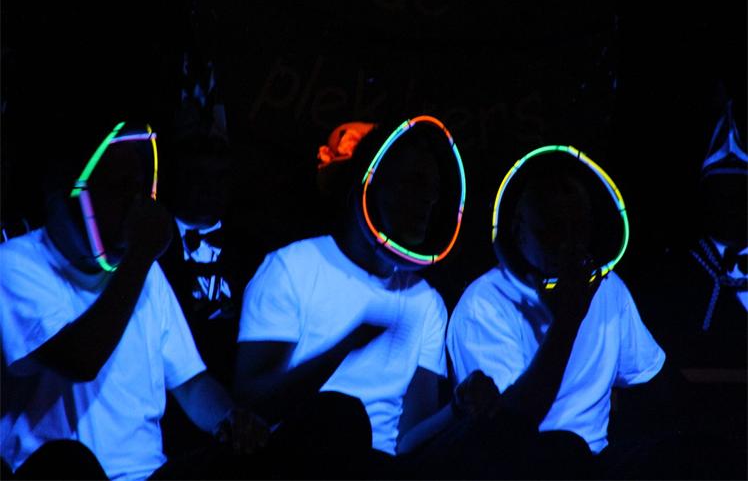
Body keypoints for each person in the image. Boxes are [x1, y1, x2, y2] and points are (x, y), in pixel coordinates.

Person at [0, 122, 268, 481]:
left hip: (149, 474)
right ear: (67, 192)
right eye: (118, 187)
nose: (135, 204)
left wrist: (231, 419)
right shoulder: (14, 264)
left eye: (140, 188)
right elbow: (80, 359)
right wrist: (140, 255)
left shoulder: (145, 273)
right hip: (58, 473)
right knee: (70, 461)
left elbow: (190, 383)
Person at [234, 116, 471, 477]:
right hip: (294, 462)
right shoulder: (292, 268)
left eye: (434, 189)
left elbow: (410, 440)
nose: (428, 199)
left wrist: (458, 408)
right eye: (413, 182)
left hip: (379, 471)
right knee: (338, 416)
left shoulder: (426, 303)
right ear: (369, 183)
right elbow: (250, 403)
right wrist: (344, 347)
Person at [446, 147, 666, 477]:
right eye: (552, 229)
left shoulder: (608, 288)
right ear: (518, 231)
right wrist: (567, 322)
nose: (568, 243)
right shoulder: (484, 303)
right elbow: (508, 427)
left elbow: (651, 380)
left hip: (598, 466)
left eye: (579, 228)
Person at [628, 95, 747, 479]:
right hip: (691, 427)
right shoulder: (673, 272)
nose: (732, 202)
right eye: (722, 190)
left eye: (740, 190)